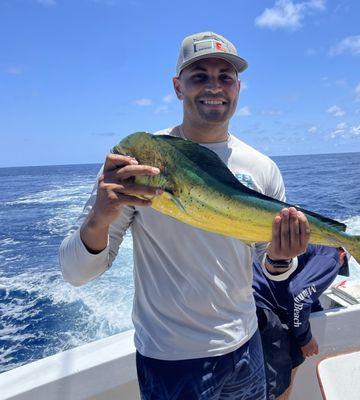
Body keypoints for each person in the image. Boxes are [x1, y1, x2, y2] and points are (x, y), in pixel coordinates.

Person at [59, 31, 310, 400]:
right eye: (199, 76)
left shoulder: (262, 168)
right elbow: (75, 273)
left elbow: (273, 264)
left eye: (225, 77)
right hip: (173, 361)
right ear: (178, 87)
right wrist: (99, 215)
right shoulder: (138, 163)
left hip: (246, 345)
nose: (214, 86)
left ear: (238, 87)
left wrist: (280, 258)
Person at [253, 244, 350, 400]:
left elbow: (307, 291)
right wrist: (305, 339)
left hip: (255, 303)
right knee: (278, 385)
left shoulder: (314, 245)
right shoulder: (333, 257)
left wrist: (317, 313)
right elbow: (298, 293)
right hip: (266, 313)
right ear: (343, 256)